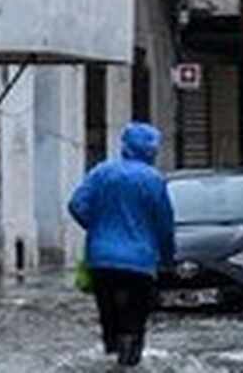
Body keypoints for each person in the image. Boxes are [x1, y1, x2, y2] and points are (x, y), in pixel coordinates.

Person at [68, 123, 175, 368]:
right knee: (134, 322)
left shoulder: (101, 172)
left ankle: (111, 354)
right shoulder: (154, 180)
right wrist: (168, 259)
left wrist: (96, 230)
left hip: (102, 261)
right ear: (151, 151)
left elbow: (76, 205)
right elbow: (164, 226)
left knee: (110, 321)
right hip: (141, 263)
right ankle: (128, 361)